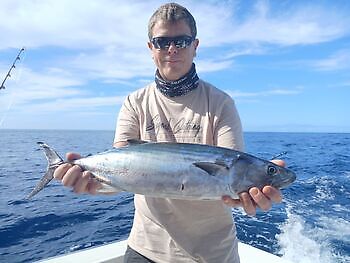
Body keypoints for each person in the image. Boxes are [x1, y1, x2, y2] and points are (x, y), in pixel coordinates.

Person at [54, 3, 283, 262]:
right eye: (162, 42)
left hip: (211, 254)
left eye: (182, 41)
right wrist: (92, 183)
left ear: (195, 46)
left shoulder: (220, 104)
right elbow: (123, 173)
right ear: (151, 48)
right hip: (145, 248)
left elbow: (233, 180)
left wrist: (244, 198)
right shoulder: (135, 102)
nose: (172, 49)